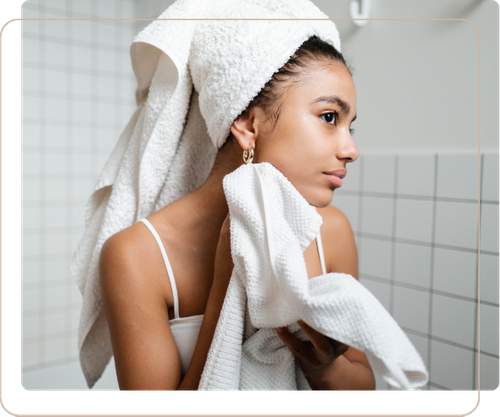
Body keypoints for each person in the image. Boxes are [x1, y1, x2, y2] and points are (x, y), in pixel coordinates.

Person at [98, 32, 376, 392]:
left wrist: (324, 367)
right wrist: (225, 286)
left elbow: (365, 388)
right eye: (328, 116)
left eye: (349, 126)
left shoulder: (332, 232)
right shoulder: (136, 256)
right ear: (248, 125)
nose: (351, 149)